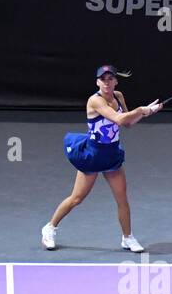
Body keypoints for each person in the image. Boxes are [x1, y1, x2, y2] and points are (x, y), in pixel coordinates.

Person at [42, 65, 160, 252]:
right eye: (102, 79)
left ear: (115, 81)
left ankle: (127, 238)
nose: (106, 82)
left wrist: (148, 112)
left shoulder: (119, 96)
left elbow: (128, 123)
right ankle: (49, 228)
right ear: (97, 82)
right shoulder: (94, 101)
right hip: (93, 154)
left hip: (112, 154)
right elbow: (119, 119)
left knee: (122, 199)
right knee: (77, 198)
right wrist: (141, 109)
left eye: (110, 78)